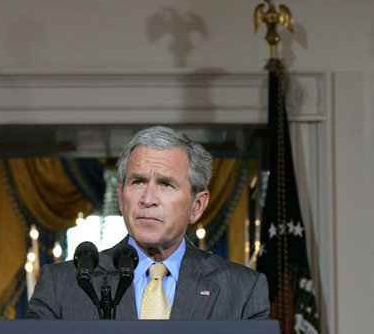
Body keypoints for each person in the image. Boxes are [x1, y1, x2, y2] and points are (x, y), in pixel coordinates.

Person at [26, 125, 270, 321]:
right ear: (121, 198)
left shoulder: (242, 291)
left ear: (197, 206)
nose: (148, 199)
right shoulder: (62, 285)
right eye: (138, 182)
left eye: (165, 184)